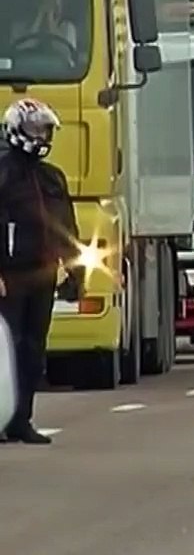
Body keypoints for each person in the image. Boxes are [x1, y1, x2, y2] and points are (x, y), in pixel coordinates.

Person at [0, 99, 82, 445]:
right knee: (7, 349)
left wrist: (75, 270)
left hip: (43, 275)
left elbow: (66, 226)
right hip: (9, 277)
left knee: (33, 348)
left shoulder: (52, 177)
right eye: (37, 129)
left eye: (46, 130)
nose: (43, 136)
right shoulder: (3, 172)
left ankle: (22, 420)